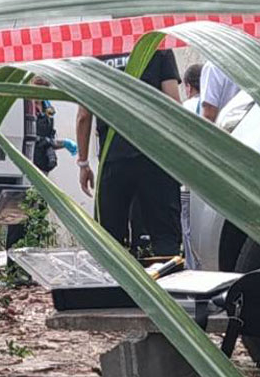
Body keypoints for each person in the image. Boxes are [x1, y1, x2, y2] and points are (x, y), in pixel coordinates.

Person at [75, 49, 183, 256]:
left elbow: (83, 115)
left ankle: (115, 287)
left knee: (110, 240)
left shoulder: (94, 53)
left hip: (114, 159)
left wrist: (83, 163)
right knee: (165, 237)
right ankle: (168, 285)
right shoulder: (158, 47)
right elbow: (173, 104)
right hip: (156, 157)